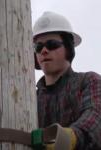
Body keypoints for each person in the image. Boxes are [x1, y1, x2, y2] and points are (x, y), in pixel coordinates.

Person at [33, 11, 101, 150]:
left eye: (52, 44)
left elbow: (96, 115)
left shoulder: (89, 81)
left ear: (69, 48)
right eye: (38, 47)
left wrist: (70, 137)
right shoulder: (30, 100)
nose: (44, 50)